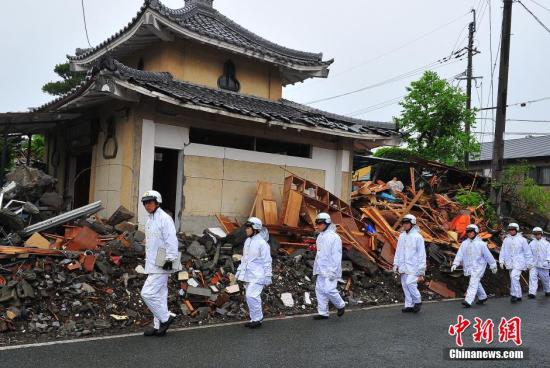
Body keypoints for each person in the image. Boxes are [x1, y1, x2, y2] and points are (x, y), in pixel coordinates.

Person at [140, 190, 181, 337]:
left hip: (163, 263)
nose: (147, 205)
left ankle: (165, 318)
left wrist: (170, 259)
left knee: (147, 293)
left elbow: (171, 240)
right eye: (145, 203)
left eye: (150, 202)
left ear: (157, 202)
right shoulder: (150, 219)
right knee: (160, 295)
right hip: (152, 263)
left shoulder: (165, 218)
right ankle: (158, 326)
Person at [236, 217, 272, 329]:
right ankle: (254, 318)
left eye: (248, 228)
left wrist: (268, 275)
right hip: (248, 275)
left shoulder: (262, 244)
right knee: (250, 297)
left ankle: (258, 318)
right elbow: (245, 259)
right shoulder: (248, 241)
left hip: (258, 276)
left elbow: (267, 261)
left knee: (251, 295)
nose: (246, 230)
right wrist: (240, 272)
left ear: (255, 228)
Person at [451, 224, 497, 308]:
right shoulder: (464, 243)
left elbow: (488, 256)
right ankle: (483, 297)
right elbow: (459, 254)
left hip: (479, 267)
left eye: (471, 232)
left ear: (476, 232)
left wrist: (493, 265)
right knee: (475, 282)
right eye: (468, 232)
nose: (469, 233)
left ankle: (468, 300)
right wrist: (455, 263)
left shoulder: (481, 244)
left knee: (473, 282)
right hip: (468, 267)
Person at [312, 212, 346, 320]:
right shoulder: (320, 237)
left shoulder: (334, 237)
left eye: (320, 223)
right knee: (320, 290)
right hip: (321, 269)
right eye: (317, 223)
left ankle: (341, 305)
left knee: (329, 290)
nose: (318, 225)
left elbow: (336, 256)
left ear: (327, 223)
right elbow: (319, 254)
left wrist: (333, 271)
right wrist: (316, 268)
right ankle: (323, 312)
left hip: (330, 269)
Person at [393, 214, 426, 313]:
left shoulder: (418, 237)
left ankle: (417, 301)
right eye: (404, 223)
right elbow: (398, 251)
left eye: (407, 223)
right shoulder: (402, 236)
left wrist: (421, 270)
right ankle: (409, 305)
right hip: (403, 266)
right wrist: (396, 264)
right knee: (405, 285)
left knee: (410, 283)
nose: (405, 225)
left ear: (412, 223)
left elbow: (422, 254)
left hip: (414, 266)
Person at [499, 223, 534, 303]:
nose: (511, 231)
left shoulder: (522, 240)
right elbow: (503, 251)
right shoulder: (506, 240)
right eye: (510, 229)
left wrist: (529, 263)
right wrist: (501, 261)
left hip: (519, 262)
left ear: (516, 230)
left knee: (514, 276)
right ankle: (518, 295)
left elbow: (527, 252)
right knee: (513, 278)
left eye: (513, 229)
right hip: (509, 262)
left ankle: (513, 295)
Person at [528, 227, 550, 298]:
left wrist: (547, 260)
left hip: (544, 265)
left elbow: (549, 253)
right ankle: (532, 293)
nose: (537, 235)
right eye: (535, 234)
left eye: (538, 234)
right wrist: (529, 263)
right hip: (534, 265)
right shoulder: (531, 244)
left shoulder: (546, 244)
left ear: (541, 234)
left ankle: (548, 290)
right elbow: (529, 254)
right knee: (532, 277)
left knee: (545, 280)